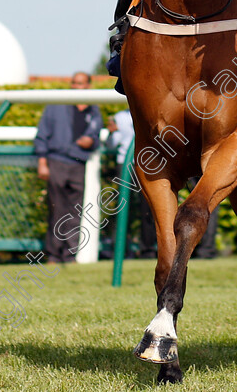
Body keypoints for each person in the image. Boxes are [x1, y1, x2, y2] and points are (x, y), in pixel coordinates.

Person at [34, 72, 102, 263]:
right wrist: (42, 162)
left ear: (88, 86)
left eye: (80, 83)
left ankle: (70, 254)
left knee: (75, 211)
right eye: (74, 83)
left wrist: (91, 141)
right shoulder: (56, 106)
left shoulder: (93, 110)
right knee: (57, 210)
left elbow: (95, 136)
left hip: (78, 164)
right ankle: (54, 254)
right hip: (56, 161)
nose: (76, 87)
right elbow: (42, 135)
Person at [106, 109, 157, 258]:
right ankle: (121, 249)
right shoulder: (120, 116)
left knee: (148, 209)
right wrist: (111, 133)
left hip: (148, 165)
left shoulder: (151, 109)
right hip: (125, 166)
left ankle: (148, 249)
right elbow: (111, 145)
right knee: (122, 207)